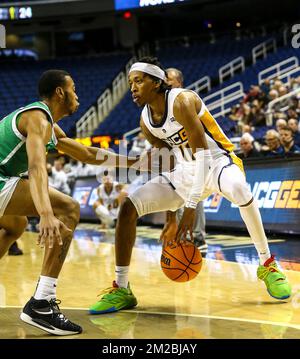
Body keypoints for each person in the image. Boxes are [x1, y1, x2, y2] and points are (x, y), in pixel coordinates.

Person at [89, 57, 291, 315]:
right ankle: (122, 288)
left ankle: (268, 264)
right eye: (130, 83)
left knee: (241, 191)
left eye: (138, 81)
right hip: (184, 172)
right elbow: (167, 162)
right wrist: (171, 216)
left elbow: (204, 156)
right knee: (129, 207)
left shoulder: (182, 101)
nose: (133, 88)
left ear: (157, 82)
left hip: (216, 163)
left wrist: (192, 205)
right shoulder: (145, 120)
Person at [0, 69, 138, 335]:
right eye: (73, 88)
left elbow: (86, 153)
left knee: (14, 227)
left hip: (5, 178)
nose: (78, 94)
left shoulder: (48, 124)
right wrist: (46, 213)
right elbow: (38, 167)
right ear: (60, 92)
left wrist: (134, 162)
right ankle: (41, 303)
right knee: (69, 208)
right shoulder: (38, 119)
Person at [166, 67, 206, 249]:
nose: (166, 85)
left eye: (170, 81)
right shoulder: (163, 107)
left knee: (194, 199)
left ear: (179, 83)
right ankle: (185, 238)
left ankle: (198, 238)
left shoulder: (187, 100)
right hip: (177, 160)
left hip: (196, 157)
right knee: (179, 201)